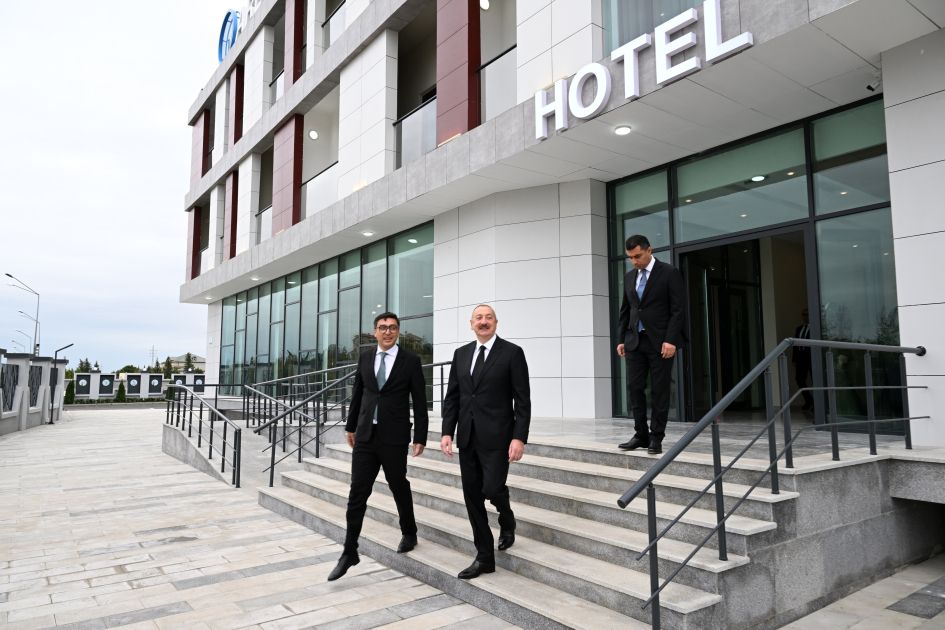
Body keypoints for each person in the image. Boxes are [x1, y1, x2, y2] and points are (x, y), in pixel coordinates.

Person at [327, 312, 429, 581]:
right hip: (366, 436)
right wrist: (350, 426)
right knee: (357, 493)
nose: (387, 332)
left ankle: (409, 531)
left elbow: (420, 400)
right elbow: (358, 393)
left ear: (398, 332)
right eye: (383, 327)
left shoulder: (410, 361)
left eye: (392, 327)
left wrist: (420, 436)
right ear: (375, 332)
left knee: (398, 485)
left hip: (394, 437)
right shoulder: (365, 357)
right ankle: (349, 551)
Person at [440, 304, 531, 580]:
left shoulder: (512, 353)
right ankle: (484, 557)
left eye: (488, 317)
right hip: (467, 436)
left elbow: (522, 401)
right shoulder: (461, 354)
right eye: (478, 318)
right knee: (472, 497)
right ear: (471, 324)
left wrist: (519, 437)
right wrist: (447, 432)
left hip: (498, 437)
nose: (483, 322)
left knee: (492, 487)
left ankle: (506, 517)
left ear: (496, 322)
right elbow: (453, 397)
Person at [616, 234, 686, 455]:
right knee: (635, 389)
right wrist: (621, 339)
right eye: (630, 257)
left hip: (660, 343)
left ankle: (656, 437)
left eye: (637, 256)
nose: (634, 261)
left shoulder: (669, 273)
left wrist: (671, 340)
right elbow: (626, 310)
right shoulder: (630, 277)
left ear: (649, 250)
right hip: (635, 342)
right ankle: (641, 435)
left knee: (659, 391)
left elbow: (678, 310)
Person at [793, 308, 814, 412]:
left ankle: (817, 404)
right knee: (799, 379)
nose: (805, 317)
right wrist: (794, 359)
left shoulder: (815, 328)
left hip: (812, 357)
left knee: (815, 380)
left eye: (807, 314)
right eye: (804, 314)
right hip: (801, 357)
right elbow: (795, 345)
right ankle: (809, 400)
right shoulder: (799, 328)